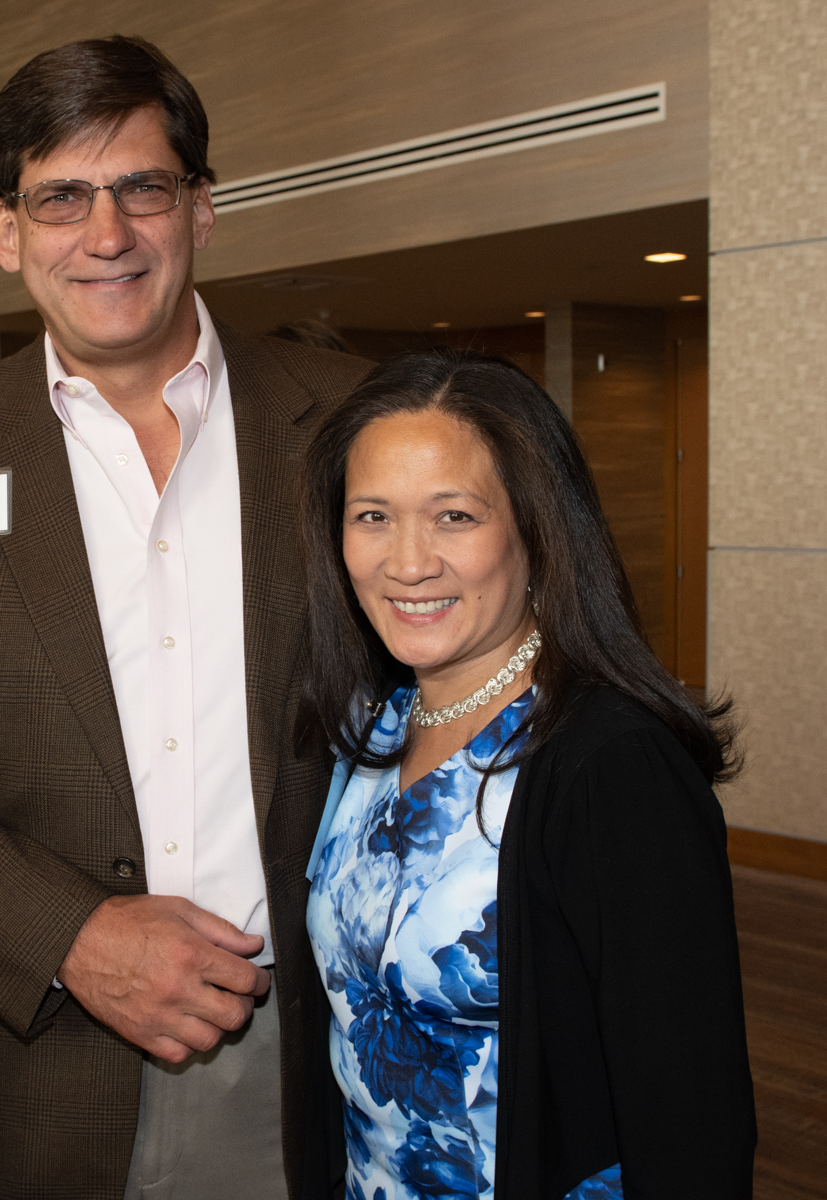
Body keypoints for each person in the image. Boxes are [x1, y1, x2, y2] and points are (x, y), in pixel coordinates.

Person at [0, 35, 370, 1200]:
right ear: (5, 230)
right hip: (30, 1056)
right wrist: (71, 934)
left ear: (201, 210)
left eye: (141, 189)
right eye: (60, 196)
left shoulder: (354, 423)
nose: (105, 235)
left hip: (315, 1051)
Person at [298, 352, 756, 1199]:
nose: (407, 562)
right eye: (372, 516)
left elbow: (690, 1114)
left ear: (538, 527)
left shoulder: (610, 766)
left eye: (455, 517)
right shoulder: (368, 730)